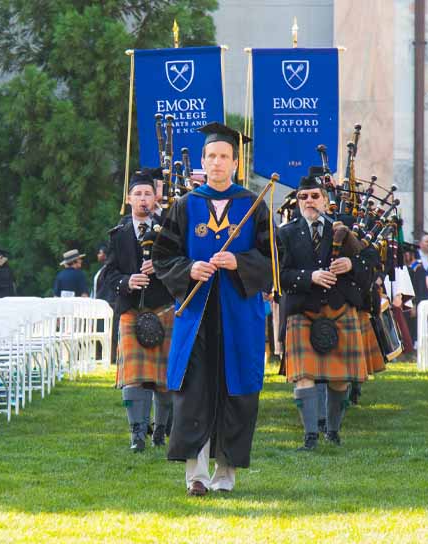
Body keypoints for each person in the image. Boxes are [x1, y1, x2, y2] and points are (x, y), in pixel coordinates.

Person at [152, 122, 272, 497]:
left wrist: (241, 264)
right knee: (195, 391)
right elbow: (162, 257)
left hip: (239, 315)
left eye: (224, 156)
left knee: (234, 390)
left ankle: (225, 475)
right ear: (202, 161)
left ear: (236, 163)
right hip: (197, 314)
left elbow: (272, 260)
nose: (217, 163)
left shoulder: (254, 205)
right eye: (211, 156)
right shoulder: (186, 206)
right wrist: (189, 268)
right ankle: (197, 477)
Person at [277, 172, 371, 452]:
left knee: (340, 377)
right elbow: (279, 275)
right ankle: (310, 436)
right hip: (302, 310)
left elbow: (372, 262)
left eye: (314, 196)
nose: (308, 201)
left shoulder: (345, 227)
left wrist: (351, 264)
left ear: (326, 200)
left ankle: (332, 431)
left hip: (339, 308)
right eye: (302, 196)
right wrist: (310, 277)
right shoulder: (286, 233)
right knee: (303, 375)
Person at [106, 170, 175, 452]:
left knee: (164, 376)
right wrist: (127, 281)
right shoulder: (118, 235)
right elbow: (109, 274)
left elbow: (182, 266)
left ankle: (161, 430)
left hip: (163, 306)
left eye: (148, 193)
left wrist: (160, 268)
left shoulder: (169, 231)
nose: (143, 199)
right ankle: (137, 433)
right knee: (134, 375)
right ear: (129, 198)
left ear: (155, 197)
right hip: (132, 309)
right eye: (138, 194)